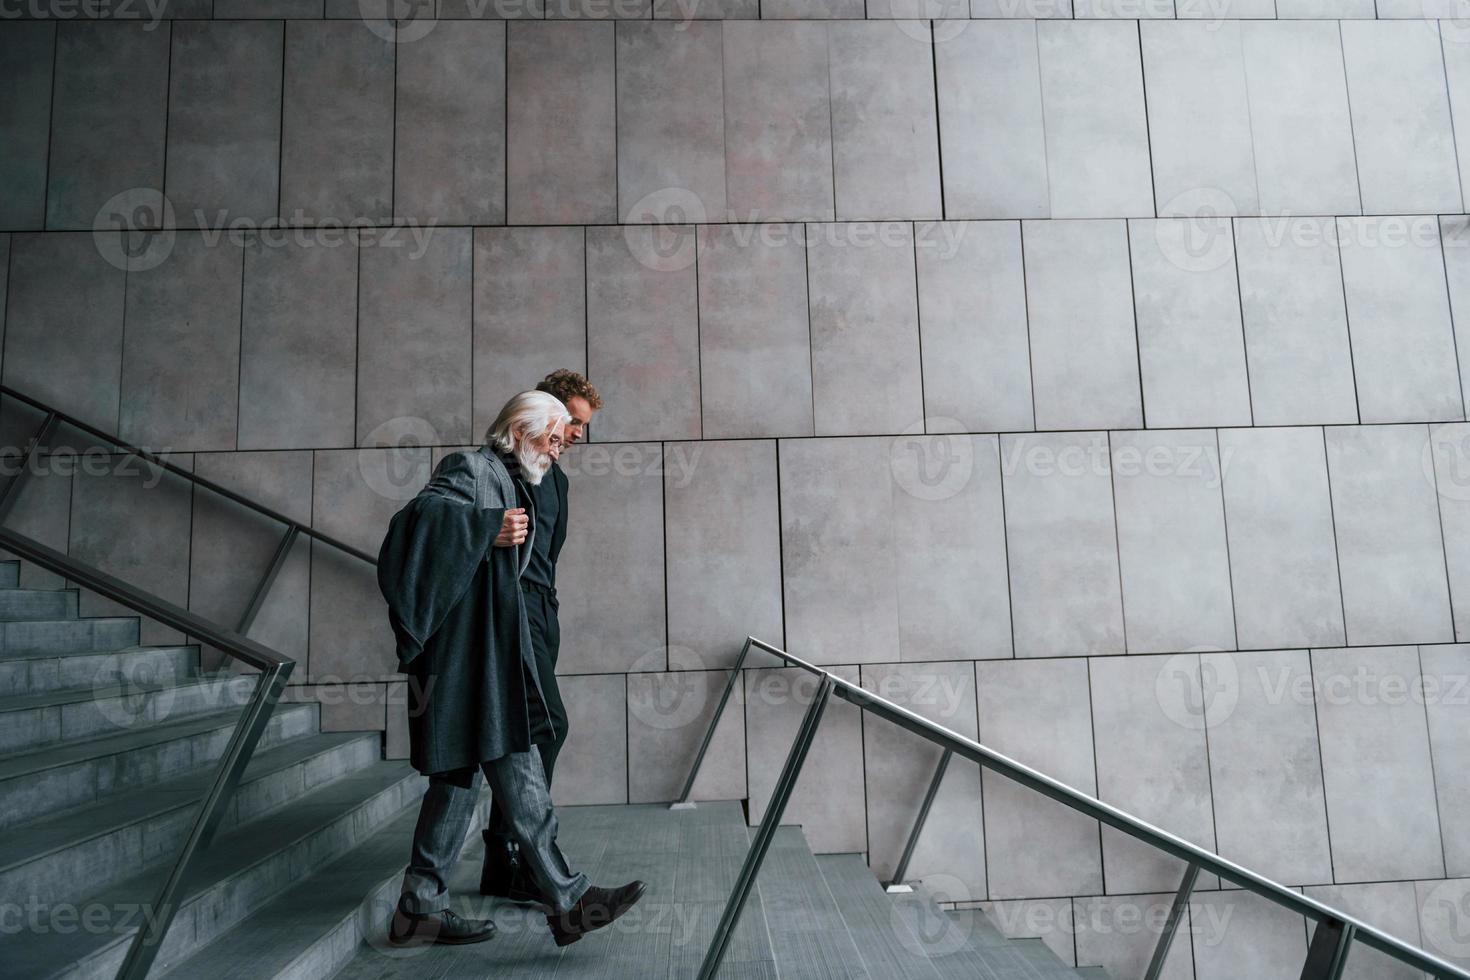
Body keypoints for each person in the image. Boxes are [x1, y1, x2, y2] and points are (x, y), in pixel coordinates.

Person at [377, 389, 642, 948]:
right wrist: (485, 528)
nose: (558, 447)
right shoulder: (471, 468)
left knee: (458, 775)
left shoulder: (524, 479)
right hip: (464, 659)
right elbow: (414, 523)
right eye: (550, 436)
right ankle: (567, 899)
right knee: (512, 758)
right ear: (520, 432)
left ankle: (418, 909)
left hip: (485, 653)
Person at [480, 370, 602, 902]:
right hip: (510, 611)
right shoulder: (501, 468)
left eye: (581, 427)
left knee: (521, 732)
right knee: (546, 727)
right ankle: (526, 860)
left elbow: (548, 555)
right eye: (571, 422)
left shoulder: (559, 480)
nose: (575, 434)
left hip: (542, 612)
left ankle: (501, 863)